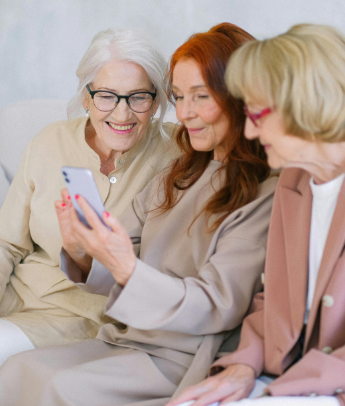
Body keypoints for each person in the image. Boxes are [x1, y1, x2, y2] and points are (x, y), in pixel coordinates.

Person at [0, 23, 277, 406]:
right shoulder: (183, 169)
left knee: (55, 388)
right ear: (86, 96)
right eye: (179, 97)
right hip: (132, 336)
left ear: (239, 97)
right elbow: (120, 247)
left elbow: (217, 303)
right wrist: (81, 248)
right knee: (17, 371)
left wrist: (126, 267)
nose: (185, 112)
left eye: (201, 96)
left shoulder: (263, 189)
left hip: (182, 351)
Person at [168, 23, 345, 406]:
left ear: (304, 103)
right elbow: (273, 298)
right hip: (285, 376)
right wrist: (243, 366)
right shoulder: (293, 182)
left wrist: (278, 390)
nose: (248, 129)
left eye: (257, 113)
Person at [0, 28, 180, 366]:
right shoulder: (49, 141)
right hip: (14, 298)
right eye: (107, 96)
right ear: (86, 97)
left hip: (83, 321)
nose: (122, 114)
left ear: (157, 101)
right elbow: (6, 243)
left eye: (139, 96)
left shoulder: (178, 155)